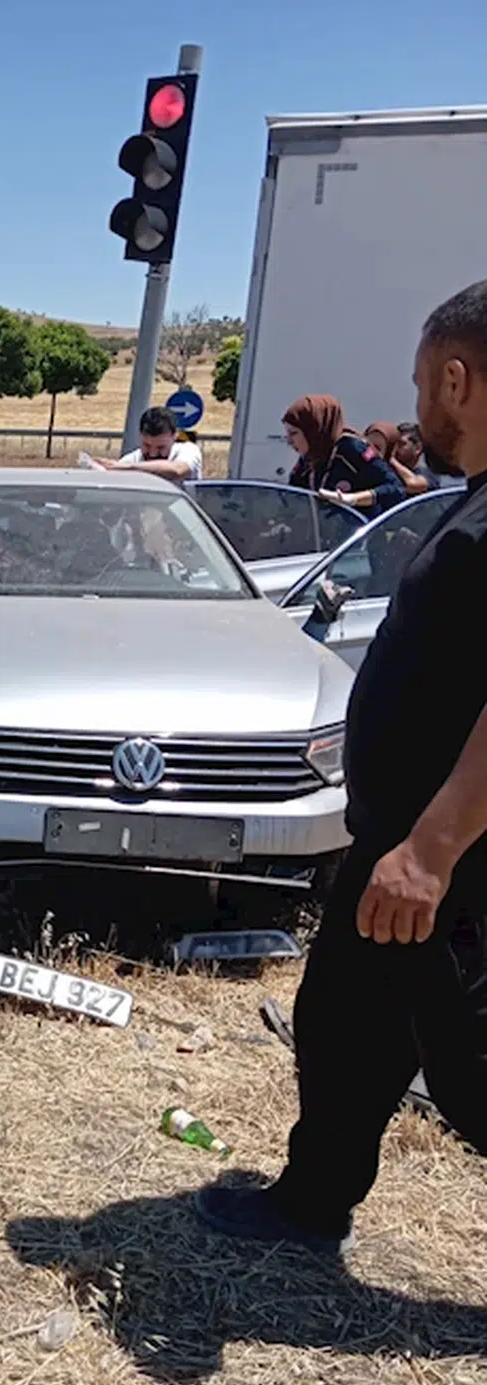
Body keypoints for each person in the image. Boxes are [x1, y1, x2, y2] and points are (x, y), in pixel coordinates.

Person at [195, 279, 487, 1256]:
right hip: (395, 845)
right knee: (344, 1027)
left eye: (420, 385)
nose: (413, 410)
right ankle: (311, 1201)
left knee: (470, 1073)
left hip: (448, 857)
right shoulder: (470, 502)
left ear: (457, 377)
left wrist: (434, 849)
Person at [284, 395, 405, 514]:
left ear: (313, 430)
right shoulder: (310, 457)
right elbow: (293, 493)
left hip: (361, 530)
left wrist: (353, 499)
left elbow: (396, 489)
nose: (289, 441)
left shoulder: (353, 448)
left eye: (293, 433)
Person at [94, 407, 203, 482]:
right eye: (147, 446)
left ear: (175, 436)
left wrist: (123, 467)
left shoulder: (188, 450)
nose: (153, 454)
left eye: (161, 447)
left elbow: (178, 470)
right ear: (140, 435)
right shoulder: (133, 459)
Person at [364, 419, 437, 500]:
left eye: (401, 444)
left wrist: (389, 456)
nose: (396, 448)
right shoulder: (387, 470)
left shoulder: (429, 474)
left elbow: (412, 484)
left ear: (417, 448)